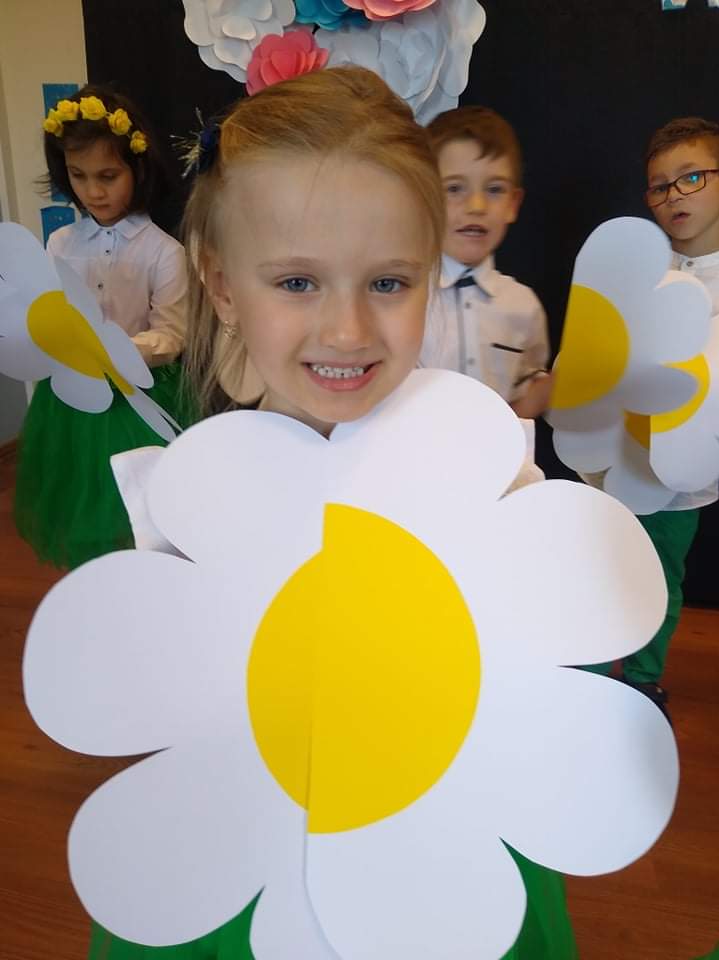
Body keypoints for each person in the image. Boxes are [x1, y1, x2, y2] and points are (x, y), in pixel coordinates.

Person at [90, 67, 576, 959]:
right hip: (257, 859)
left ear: (429, 273)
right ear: (223, 286)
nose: (348, 331)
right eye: (297, 283)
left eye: (388, 283)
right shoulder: (196, 505)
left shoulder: (479, 477)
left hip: (430, 837)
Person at [13, 84, 192, 569]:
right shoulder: (60, 243)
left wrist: (120, 349)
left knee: (144, 508)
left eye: (108, 176)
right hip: (72, 400)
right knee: (81, 500)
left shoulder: (164, 252)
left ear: (137, 169)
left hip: (141, 396)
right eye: (79, 176)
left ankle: (148, 579)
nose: (93, 191)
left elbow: (172, 334)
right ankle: (99, 580)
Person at [586, 117, 719, 718]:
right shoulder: (636, 266)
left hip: (684, 478)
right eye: (660, 186)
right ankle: (589, 671)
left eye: (691, 178)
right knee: (601, 566)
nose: (674, 196)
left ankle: (642, 678)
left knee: (662, 576)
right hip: (618, 458)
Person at [419, 105, 552, 420]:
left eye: (494, 190)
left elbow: (521, 406)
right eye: (454, 189)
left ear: (513, 204)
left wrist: (559, 385)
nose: (477, 206)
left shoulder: (523, 307)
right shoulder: (400, 296)